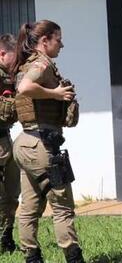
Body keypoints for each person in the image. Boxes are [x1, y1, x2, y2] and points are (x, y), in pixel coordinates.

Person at [12, 21, 83, 263]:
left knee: (29, 208)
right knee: (62, 206)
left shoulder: (25, 63)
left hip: (25, 143)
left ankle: (31, 258)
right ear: (45, 41)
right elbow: (25, 87)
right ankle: (73, 258)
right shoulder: (41, 64)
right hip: (42, 145)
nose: (61, 44)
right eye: (58, 39)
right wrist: (57, 94)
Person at [0, 35, 19, 253]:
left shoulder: (11, 75)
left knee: (12, 193)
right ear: (2, 53)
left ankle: (6, 238)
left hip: (6, 138)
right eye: (13, 59)